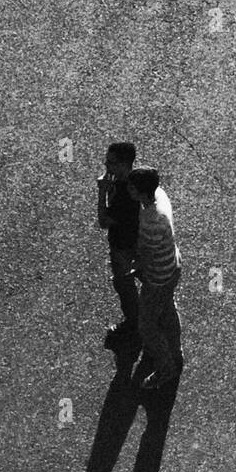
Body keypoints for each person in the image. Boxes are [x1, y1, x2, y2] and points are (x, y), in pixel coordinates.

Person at [128, 166, 183, 389]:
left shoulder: (151, 219)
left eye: (131, 187)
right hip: (172, 264)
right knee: (168, 309)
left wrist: (132, 268)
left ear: (140, 192)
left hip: (157, 276)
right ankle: (176, 351)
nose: (128, 190)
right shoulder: (160, 195)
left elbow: (146, 256)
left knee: (148, 326)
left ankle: (166, 368)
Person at [97, 142, 140, 345]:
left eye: (112, 163)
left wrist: (102, 192)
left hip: (123, 244)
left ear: (124, 164)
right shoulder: (134, 182)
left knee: (123, 284)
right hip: (135, 240)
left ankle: (134, 324)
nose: (107, 166)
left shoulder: (123, 194)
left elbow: (103, 221)